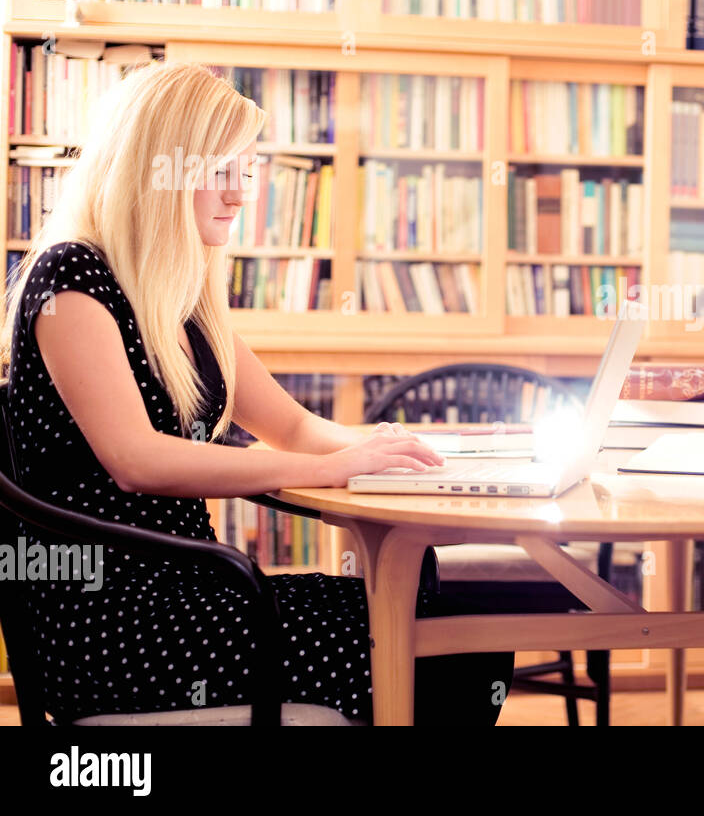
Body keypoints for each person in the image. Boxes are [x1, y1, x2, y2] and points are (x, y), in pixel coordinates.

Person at [0, 60, 516, 725]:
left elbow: (296, 427)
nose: (240, 195)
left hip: (191, 590)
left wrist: (399, 450)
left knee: (451, 621)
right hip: (119, 622)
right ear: (158, 171)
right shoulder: (72, 279)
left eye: (245, 173)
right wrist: (325, 469)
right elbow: (138, 459)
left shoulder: (179, 301)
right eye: (221, 172)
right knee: (443, 641)